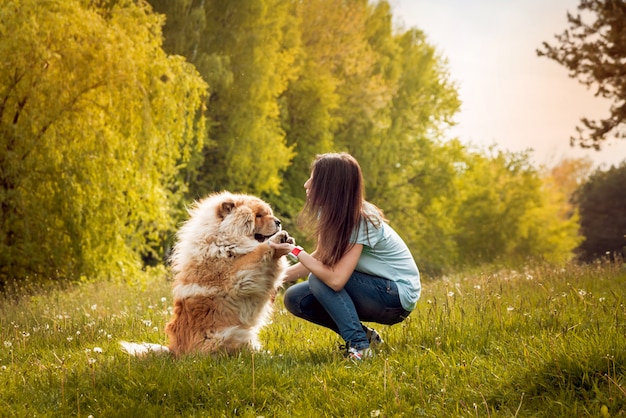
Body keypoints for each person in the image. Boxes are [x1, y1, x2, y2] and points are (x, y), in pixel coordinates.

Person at [269, 152, 421, 361]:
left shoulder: (360, 218)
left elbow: (336, 279)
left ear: (328, 184)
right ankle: (367, 338)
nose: (306, 184)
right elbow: (320, 259)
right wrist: (273, 279)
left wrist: (294, 250)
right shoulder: (331, 213)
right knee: (296, 298)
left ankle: (359, 347)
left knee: (322, 279)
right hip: (375, 290)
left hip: (396, 296)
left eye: (313, 179)